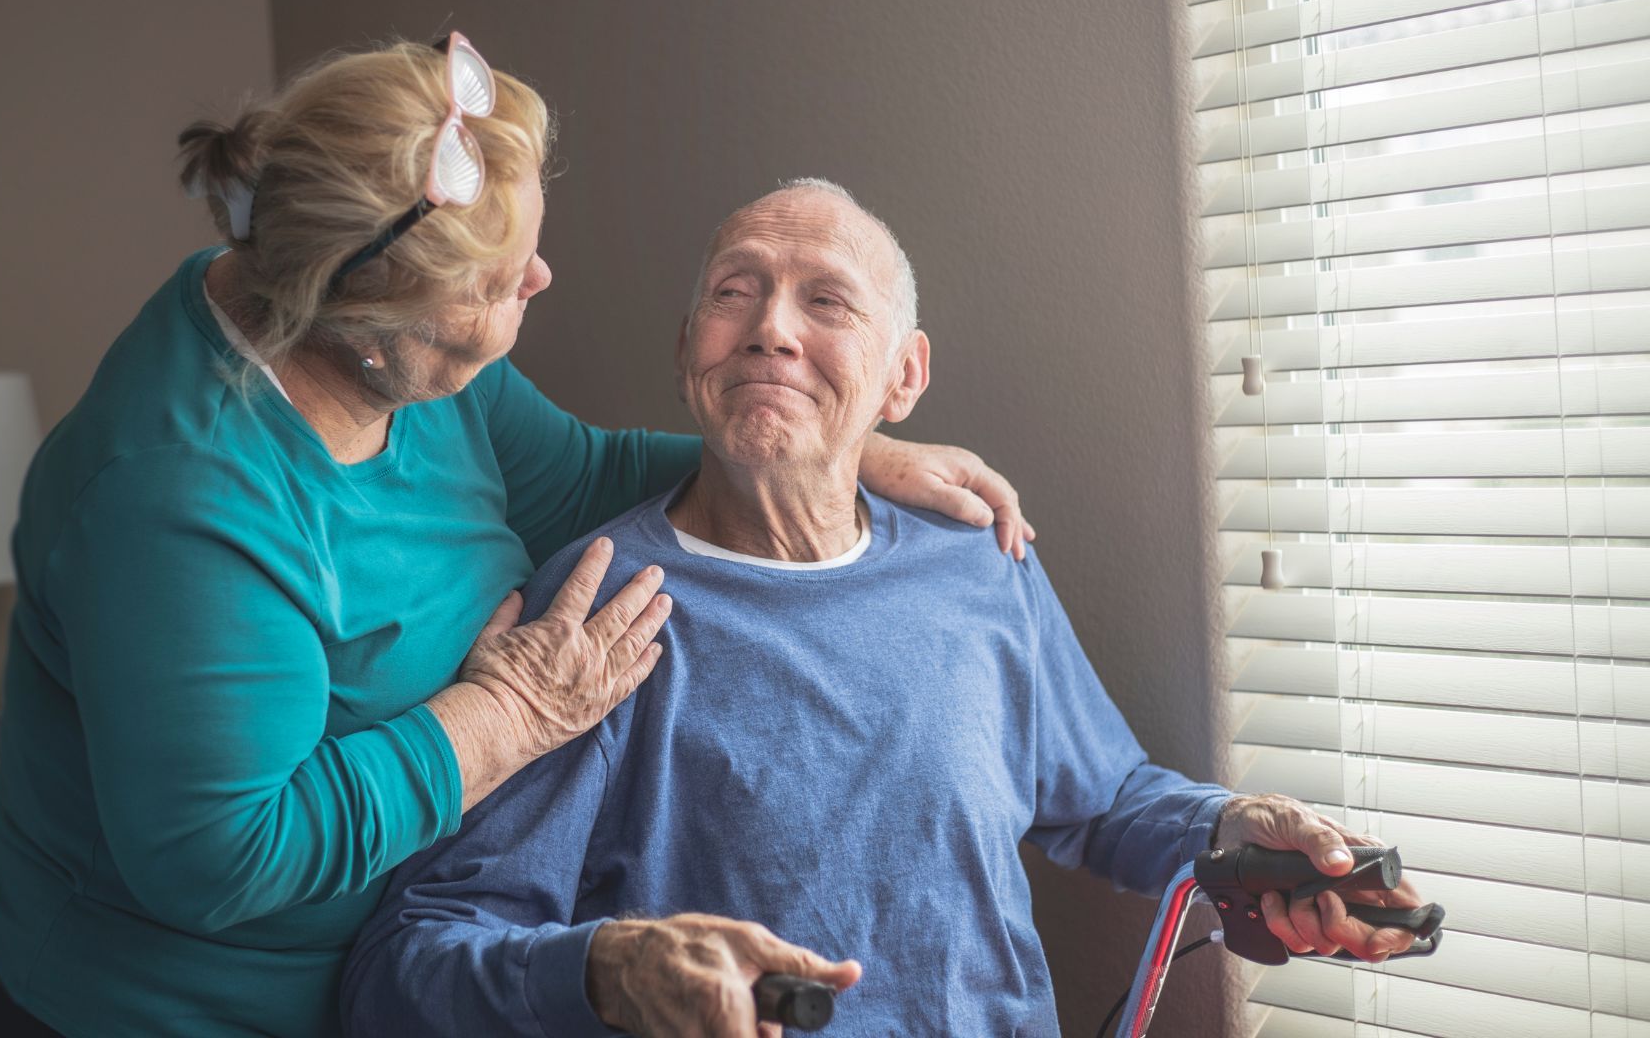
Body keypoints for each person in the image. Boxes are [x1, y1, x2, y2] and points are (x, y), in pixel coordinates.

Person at [0, 38, 1034, 1037]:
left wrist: (825, 450)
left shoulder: (406, 362)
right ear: (364, 320)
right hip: (173, 1002)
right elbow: (224, 855)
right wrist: (504, 717)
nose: (538, 280)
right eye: (492, 283)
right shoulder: (174, 499)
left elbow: (578, 475)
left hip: (401, 971)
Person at [344, 179, 1427, 1037]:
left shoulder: (978, 563)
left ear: (902, 379)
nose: (771, 328)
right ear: (687, 355)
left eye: (826, 300)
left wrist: (1233, 832)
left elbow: (1101, 798)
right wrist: (610, 972)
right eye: (734, 291)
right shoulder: (597, 612)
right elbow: (414, 964)